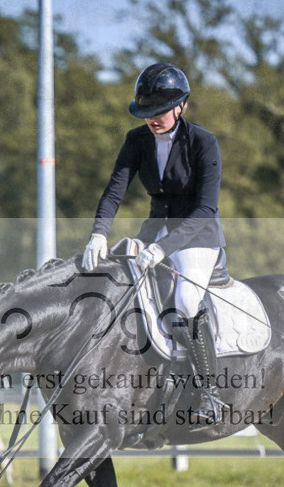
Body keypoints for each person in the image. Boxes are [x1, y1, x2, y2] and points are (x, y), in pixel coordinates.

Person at [81, 62, 226, 430]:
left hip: (198, 235)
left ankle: (210, 394)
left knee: (185, 301)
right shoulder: (137, 141)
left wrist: (164, 249)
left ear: (182, 106)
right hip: (155, 231)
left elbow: (206, 208)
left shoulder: (203, 141)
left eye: (159, 112)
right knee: (113, 284)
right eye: (146, 113)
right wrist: (99, 233)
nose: (152, 119)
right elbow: (115, 190)